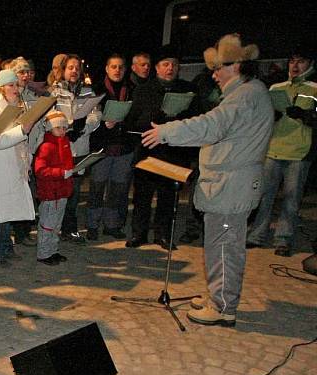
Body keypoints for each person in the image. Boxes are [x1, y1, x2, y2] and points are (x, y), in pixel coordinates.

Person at [142, 34, 274, 327]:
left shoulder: (245, 96)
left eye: (218, 69)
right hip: (229, 183)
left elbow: (211, 126)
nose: (213, 75)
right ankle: (219, 295)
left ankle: (223, 307)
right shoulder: (246, 93)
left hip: (231, 185)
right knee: (219, 245)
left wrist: (167, 131)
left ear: (236, 66)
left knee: (225, 248)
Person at [125, 45, 197, 250]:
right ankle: (139, 233)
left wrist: (178, 119)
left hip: (174, 153)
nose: (170, 68)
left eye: (174, 65)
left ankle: (163, 234)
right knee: (142, 196)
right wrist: (155, 117)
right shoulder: (144, 90)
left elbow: (197, 120)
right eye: (165, 64)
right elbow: (133, 122)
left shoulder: (187, 90)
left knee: (168, 197)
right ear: (157, 68)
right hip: (149, 152)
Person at [246, 46, 316, 256]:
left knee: (291, 197)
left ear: (310, 64)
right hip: (273, 148)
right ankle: (256, 235)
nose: (295, 66)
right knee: (264, 194)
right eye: (292, 61)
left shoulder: (314, 89)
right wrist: (272, 115)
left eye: (301, 61)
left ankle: (283, 239)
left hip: (299, 151)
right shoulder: (276, 87)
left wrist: (305, 116)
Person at [0, 69, 35, 265]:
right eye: (11, 85)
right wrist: (22, 130)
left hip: (12, 164)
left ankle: (6, 247)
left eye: (17, 85)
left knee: (8, 209)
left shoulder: (13, 106)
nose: (15, 89)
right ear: (0, 87)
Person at [50, 54, 102, 244]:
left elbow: (96, 115)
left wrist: (82, 128)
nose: (74, 71)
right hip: (60, 146)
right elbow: (50, 114)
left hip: (80, 146)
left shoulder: (88, 91)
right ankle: (53, 228)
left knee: (74, 191)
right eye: (70, 67)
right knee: (58, 191)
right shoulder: (55, 91)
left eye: (76, 68)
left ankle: (70, 229)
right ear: (63, 70)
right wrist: (66, 128)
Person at [87, 54, 134, 239]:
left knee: (117, 190)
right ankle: (92, 225)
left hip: (123, 147)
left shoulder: (131, 89)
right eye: (113, 66)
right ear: (107, 68)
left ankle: (111, 225)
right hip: (102, 147)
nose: (117, 70)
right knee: (97, 188)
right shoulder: (97, 90)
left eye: (121, 67)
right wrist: (103, 124)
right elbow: (88, 119)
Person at [34, 111, 75, 265]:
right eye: (59, 128)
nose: (62, 131)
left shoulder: (64, 143)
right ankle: (44, 254)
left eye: (64, 128)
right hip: (51, 192)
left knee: (57, 224)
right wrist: (61, 173)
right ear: (50, 129)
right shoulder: (46, 146)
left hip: (62, 191)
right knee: (48, 224)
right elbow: (40, 170)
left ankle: (53, 250)